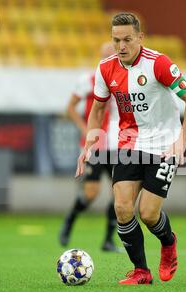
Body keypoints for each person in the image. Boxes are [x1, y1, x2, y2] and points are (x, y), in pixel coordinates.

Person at [76, 13, 186, 285]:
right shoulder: (106, 68)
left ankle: (168, 242)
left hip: (164, 146)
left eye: (127, 40)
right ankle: (141, 272)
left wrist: (182, 140)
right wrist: (89, 143)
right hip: (129, 142)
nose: (121, 46)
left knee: (148, 213)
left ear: (140, 38)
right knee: (122, 208)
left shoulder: (159, 64)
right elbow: (97, 109)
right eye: (116, 40)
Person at [59, 42, 121, 253]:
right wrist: (85, 128)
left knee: (121, 194)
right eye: (106, 55)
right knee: (91, 194)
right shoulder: (88, 80)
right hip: (97, 146)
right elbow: (69, 108)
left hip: (120, 145)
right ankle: (70, 220)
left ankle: (108, 240)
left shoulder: (126, 80)